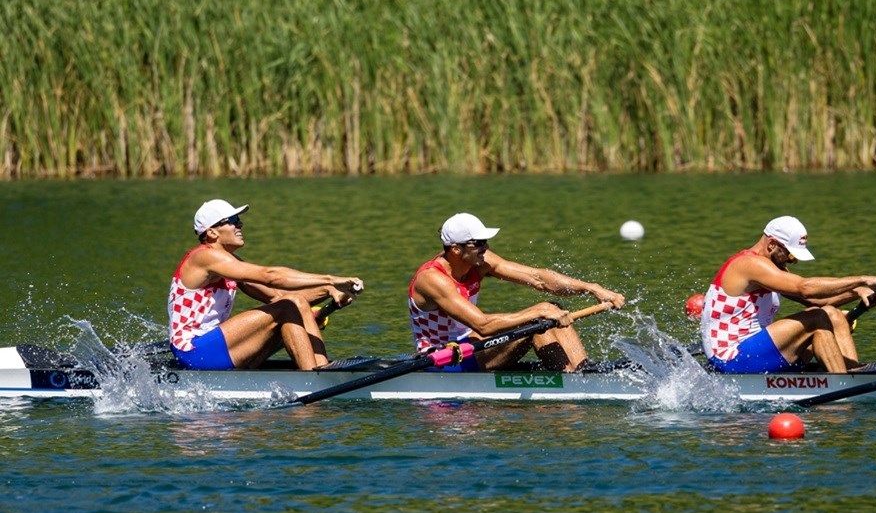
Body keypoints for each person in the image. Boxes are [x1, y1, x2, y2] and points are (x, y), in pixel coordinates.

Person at [408, 213, 625, 372]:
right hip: (445, 359)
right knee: (538, 319)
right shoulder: (432, 279)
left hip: (473, 345)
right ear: (456, 249)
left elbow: (538, 279)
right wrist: (536, 312)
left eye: (486, 242)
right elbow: (483, 325)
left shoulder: (479, 261)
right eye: (479, 243)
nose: (485, 247)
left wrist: (592, 288)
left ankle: (582, 371)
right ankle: (574, 379)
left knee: (552, 310)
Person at [168, 199, 364, 371]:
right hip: (193, 350)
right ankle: (312, 378)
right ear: (211, 232)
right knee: (289, 306)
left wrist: (330, 291)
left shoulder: (230, 263)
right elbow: (270, 276)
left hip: (214, 349)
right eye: (233, 221)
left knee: (292, 304)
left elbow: (277, 295)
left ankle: (321, 368)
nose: (240, 225)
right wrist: (331, 279)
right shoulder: (204, 257)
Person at [700, 216, 876, 374]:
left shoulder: (771, 268)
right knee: (818, 317)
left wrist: (857, 292)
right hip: (731, 358)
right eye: (791, 255)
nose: (793, 262)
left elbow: (817, 299)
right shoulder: (749, 264)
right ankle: (842, 386)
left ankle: (852, 373)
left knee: (831, 314)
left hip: (755, 355)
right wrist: (862, 279)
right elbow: (804, 288)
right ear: (772, 245)